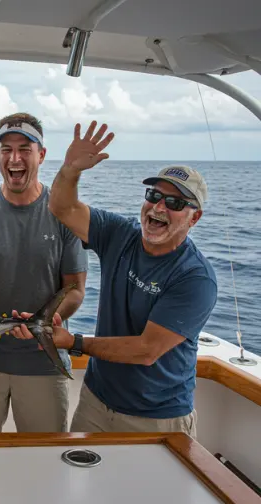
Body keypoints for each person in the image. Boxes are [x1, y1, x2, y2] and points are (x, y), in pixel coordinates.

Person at [19, 121, 217, 437]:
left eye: (175, 203)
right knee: (80, 482)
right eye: (154, 195)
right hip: (96, 402)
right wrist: (71, 169)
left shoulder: (194, 278)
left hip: (157, 418)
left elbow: (147, 349)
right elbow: (61, 206)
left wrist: (74, 342)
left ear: (195, 217)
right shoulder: (120, 234)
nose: (159, 207)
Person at [0, 113, 88, 434]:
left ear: (41, 154)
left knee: (44, 464)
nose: (15, 158)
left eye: (25, 148)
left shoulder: (65, 213)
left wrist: (50, 320)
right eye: (6, 149)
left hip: (43, 362)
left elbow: (75, 289)